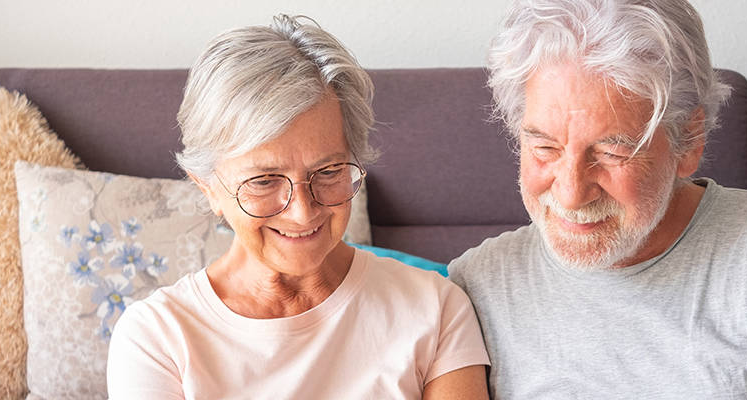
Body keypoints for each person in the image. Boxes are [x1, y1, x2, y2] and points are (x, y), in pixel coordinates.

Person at [447, 0, 747, 398]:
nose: (570, 191)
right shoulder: (475, 284)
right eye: (545, 148)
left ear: (690, 140)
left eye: (611, 151)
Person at [107, 15, 489, 399]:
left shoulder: (435, 307)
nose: (302, 212)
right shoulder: (156, 338)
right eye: (264, 180)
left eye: (328, 171)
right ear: (208, 187)